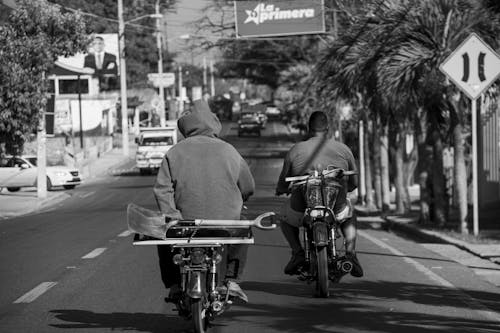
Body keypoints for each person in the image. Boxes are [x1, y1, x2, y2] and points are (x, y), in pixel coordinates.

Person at [153, 99, 255, 301]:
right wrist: (239, 200)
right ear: (214, 124)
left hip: (184, 224)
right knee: (244, 228)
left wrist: (172, 216)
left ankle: (174, 285)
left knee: (160, 233)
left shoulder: (173, 153)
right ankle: (231, 280)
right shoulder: (229, 151)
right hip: (224, 223)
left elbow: (162, 190)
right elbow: (248, 186)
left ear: (186, 128)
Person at [275, 110, 364, 278]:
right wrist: (349, 188)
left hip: (303, 205)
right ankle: (351, 253)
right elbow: (354, 181)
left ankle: (298, 252)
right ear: (328, 129)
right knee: (349, 215)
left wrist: (281, 189)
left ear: (309, 129)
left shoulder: (296, 150)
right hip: (335, 203)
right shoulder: (343, 149)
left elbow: (284, 180)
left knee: (284, 218)